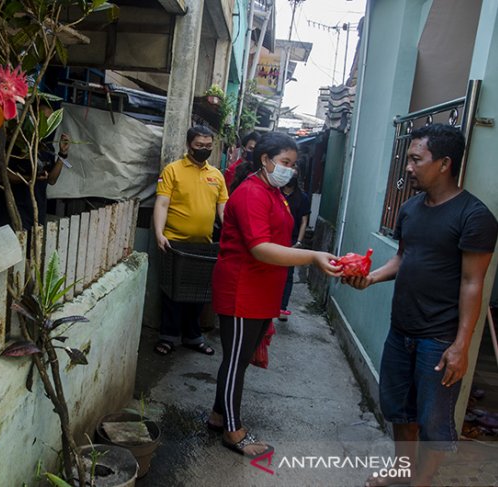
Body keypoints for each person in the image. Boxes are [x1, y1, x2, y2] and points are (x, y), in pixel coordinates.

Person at [343, 124, 497, 487]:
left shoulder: (475, 217)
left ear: (444, 163)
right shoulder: (411, 208)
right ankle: (403, 470)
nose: (408, 167)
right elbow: (403, 258)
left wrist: (461, 345)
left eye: (416, 159)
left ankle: (422, 482)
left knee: (433, 420)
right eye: (408, 158)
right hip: (402, 330)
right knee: (399, 409)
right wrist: (371, 278)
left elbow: (473, 283)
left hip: (439, 338)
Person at [206, 132, 341, 457]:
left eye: (293, 165)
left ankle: (218, 415)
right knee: (236, 361)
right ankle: (233, 431)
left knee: (240, 360)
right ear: (265, 160)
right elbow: (261, 248)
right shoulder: (253, 193)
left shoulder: (273, 192)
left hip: (261, 289)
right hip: (242, 289)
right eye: (285, 163)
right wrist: (312, 257)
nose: (290, 170)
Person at [153, 125, 228, 357]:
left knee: (199, 294)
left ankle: (193, 337)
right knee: (173, 294)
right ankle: (168, 337)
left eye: (208, 146)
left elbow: (224, 210)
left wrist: (231, 236)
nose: (204, 150)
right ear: (188, 145)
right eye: (199, 146)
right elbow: (162, 203)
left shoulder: (216, 175)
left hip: (204, 245)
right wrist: (159, 233)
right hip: (174, 243)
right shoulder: (172, 170)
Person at [0, 104, 71, 231]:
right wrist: (30, 178)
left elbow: (52, 180)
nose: (47, 124)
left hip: (36, 212)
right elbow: (3, 176)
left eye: (51, 120)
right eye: (44, 119)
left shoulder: (47, 148)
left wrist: (62, 154)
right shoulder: (17, 144)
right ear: (33, 118)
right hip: (14, 212)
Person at [278, 171, 310, 321]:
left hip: (291, 240)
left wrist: (299, 242)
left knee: (288, 275)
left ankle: (282, 308)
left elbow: (304, 221)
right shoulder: (275, 193)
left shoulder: (302, 198)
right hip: (275, 238)